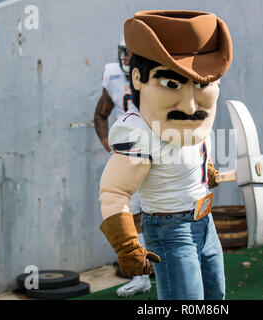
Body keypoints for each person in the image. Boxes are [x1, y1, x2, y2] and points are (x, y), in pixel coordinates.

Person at [98, 10, 232, 300]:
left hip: (204, 219)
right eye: (172, 83)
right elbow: (114, 191)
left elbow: (194, 142)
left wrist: (205, 167)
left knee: (214, 296)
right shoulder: (138, 130)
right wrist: (126, 244)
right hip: (170, 227)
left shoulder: (197, 113)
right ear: (138, 78)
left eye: (200, 83)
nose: (190, 101)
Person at [94, 38, 151, 297]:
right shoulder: (114, 75)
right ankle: (142, 278)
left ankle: (163, 271)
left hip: (157, 153)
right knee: (133, 215)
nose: (126, 58)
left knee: (163, 213)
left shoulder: (154, 71)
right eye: (124, 53)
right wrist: (109, 144)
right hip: (130, 155)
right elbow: (100, 114)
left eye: (131, 53)